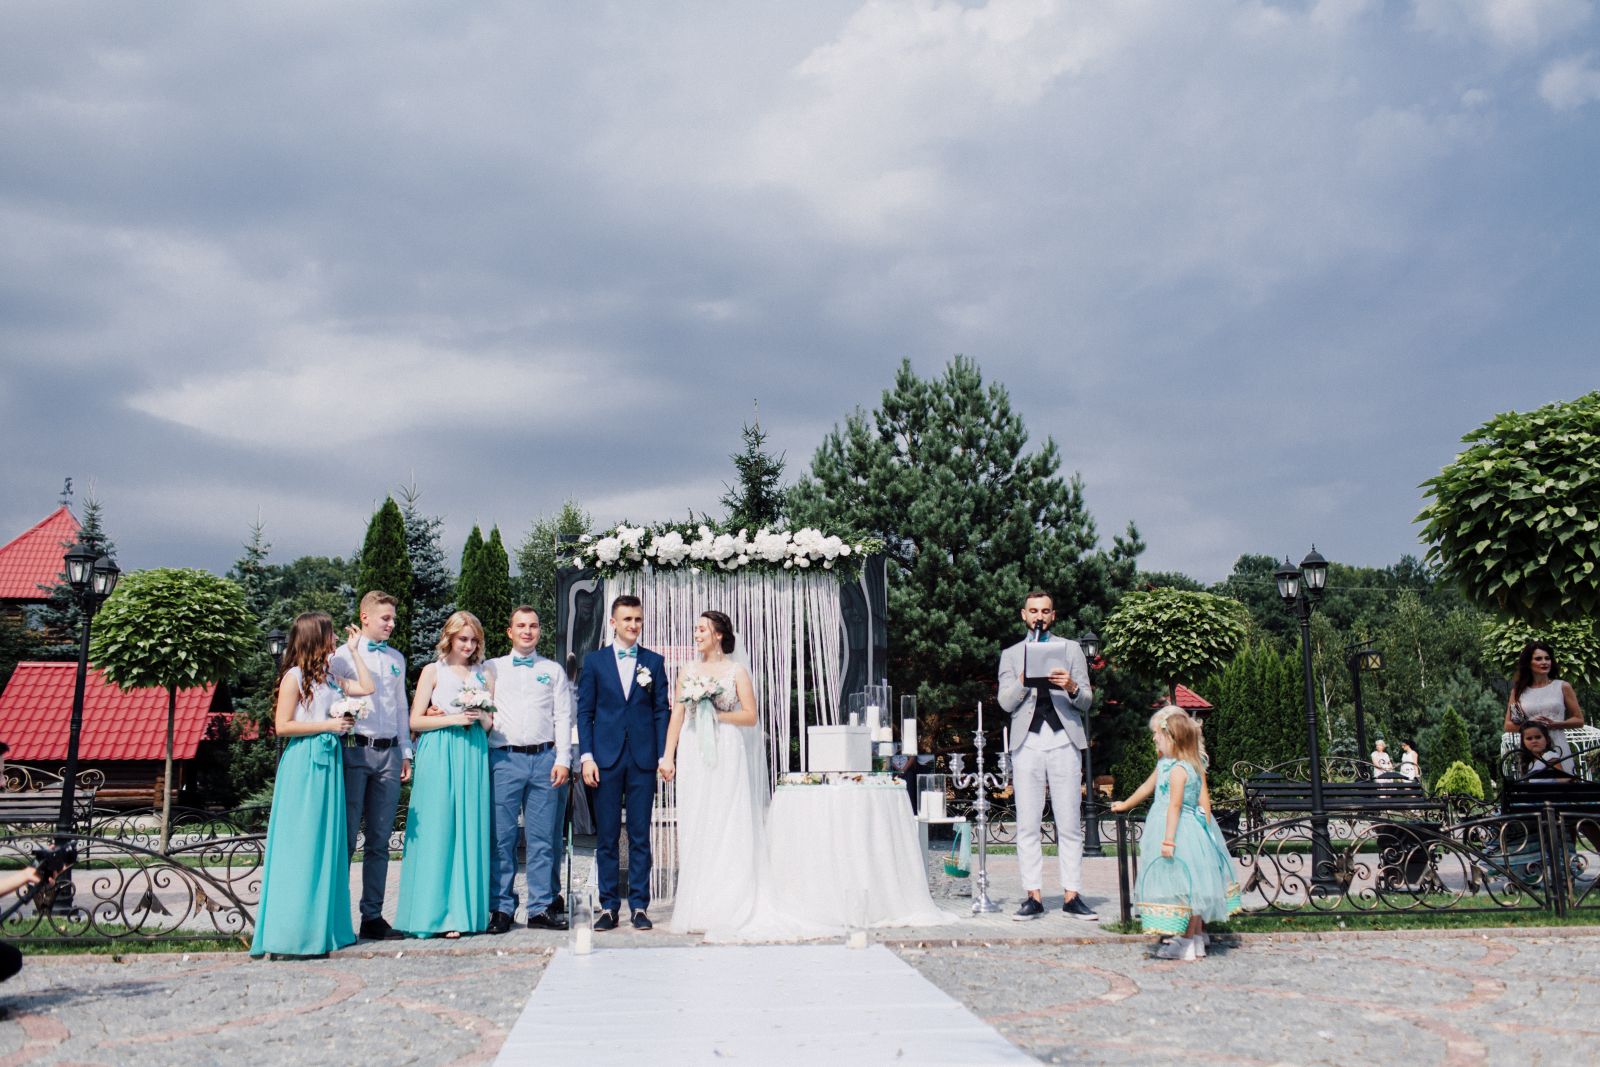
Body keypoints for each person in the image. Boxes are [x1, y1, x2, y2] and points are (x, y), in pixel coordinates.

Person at [251, 613, 373, 958]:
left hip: (330, 763)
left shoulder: (331, 677)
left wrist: (355, 651)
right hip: (304, 764)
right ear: (315, 638)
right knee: (301, 844)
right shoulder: (294, 677)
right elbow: (282, 726)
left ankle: (323, 928)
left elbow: (367, 688)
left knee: (325, 845)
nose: (335, 640)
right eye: (331, 635)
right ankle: (292, 933)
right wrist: (327, 725)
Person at [661, 610, 768, 937]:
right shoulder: (688, 671)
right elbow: (678, 714)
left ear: (718, 634)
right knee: (698, 820)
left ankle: (729, 903)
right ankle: (698, 906)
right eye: (695, 629)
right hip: (694, 749)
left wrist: (715, 715)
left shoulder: (737, 671)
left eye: (702, 630)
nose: (696, 635)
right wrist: (668, 756)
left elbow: (750, 716)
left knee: (727, 820)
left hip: (727, 749)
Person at [1111, 706, 1241, 961]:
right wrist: (1125, 804)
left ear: (1172, 738)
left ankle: (1187, 940)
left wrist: (1172, 838)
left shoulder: (1180, 768)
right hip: (1182, 826)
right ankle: (1195, 939)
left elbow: (1177, 804)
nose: (1154, 739)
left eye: (1158, 735)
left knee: (1185, 886)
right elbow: (1146, 788)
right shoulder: (1176, 765)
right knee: (1192, 885)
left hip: (1177, 828)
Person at [996, 589, 1096, 921]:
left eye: (1045, 611)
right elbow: (1005, 703)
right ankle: (1033, 896)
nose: (1039, 616)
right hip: (1027, 742)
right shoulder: (1011, 655)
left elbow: (1087, 700)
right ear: (1024, 615)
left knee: (1069, 821)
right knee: (1027, 822)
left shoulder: (1071, 649)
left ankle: (1072, 895)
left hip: (1064, 739)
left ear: (1053, 615)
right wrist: (1023, 681)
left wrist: (1071, 686)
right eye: (1033, 610)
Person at [395, 611, 494, 939]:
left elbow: (490, 724)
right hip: (439, 752)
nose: (468, 645)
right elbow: (415, 721)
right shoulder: (432, 671)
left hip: (473, 752)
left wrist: (480, 715)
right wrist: (453, 718)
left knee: (468, 829)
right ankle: (431, 914)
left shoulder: (483, 673)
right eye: (463, 639)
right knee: (437, 829)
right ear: (449, 638)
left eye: (474, 640)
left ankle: (462, 914)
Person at [576, 594, 671, 931]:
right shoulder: (594, 662)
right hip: (605, 759)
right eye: (627, 619)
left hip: (643, 760)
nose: (633, 625)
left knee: (640, 835)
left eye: (638, 619)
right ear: (613, 623)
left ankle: (640, 906)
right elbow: (585, 713)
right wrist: (587, 757)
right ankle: (608, 907)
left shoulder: (654, 662)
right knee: (607, 836)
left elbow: (661, 711)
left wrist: (663, 755)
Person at [329, 590, 411, 941]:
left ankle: (373, 916)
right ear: (365, 617)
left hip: (389, 754)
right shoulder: (340, 656)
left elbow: (401, 706)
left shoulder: (396, 658)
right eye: (385, 618)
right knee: (346, 838)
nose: (391, 624)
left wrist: (406, 751)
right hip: (354, 751)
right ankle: (337, 916)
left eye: (393, 619)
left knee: (380, 839)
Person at [485, 606, 572, 933]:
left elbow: (562, 716)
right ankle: (501, 907)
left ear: (539, 631)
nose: (527, 631)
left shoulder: (553, 670)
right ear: (510, 632)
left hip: (544, 760)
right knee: (501, 838)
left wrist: (563, 759)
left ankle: (540, 907)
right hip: (504, 759)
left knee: (542, 839)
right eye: (521, 626)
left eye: (533, 626)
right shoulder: (492, 668)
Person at [1505, 641, 1586, 766]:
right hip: (1532, 750)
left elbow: (1579, 720)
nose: (1544, 662)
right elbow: (1508, 725)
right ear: (1528, 663)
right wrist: (1530, 725)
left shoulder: (1563, 686)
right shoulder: (1518, 692)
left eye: (1547, 658)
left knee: (1562, 777)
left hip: (1558, 745)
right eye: (1538, 659)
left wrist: (1556, 724)